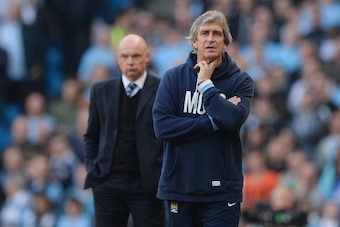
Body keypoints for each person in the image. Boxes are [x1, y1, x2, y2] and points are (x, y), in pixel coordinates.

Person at [152, 10, 254, 227]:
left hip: (222, 191)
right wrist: (213, 121)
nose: (210, 39)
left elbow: (234, 120)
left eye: (217, 34)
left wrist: (206, 85)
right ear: (194, 42)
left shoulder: (240, 81)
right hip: (180, 186)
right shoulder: (173, 78)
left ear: (225, 42)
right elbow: (163, 127)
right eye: (204, 33)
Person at [84, 34, 165, 227]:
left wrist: (160, 174)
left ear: (147, 57)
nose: (130, 61)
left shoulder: (163, 89)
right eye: (124, 56)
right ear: (117, 58)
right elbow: (91, 135)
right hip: (108, 182)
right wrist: (94, 170)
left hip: (147, 184)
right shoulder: (100, 90)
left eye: (136, 56)